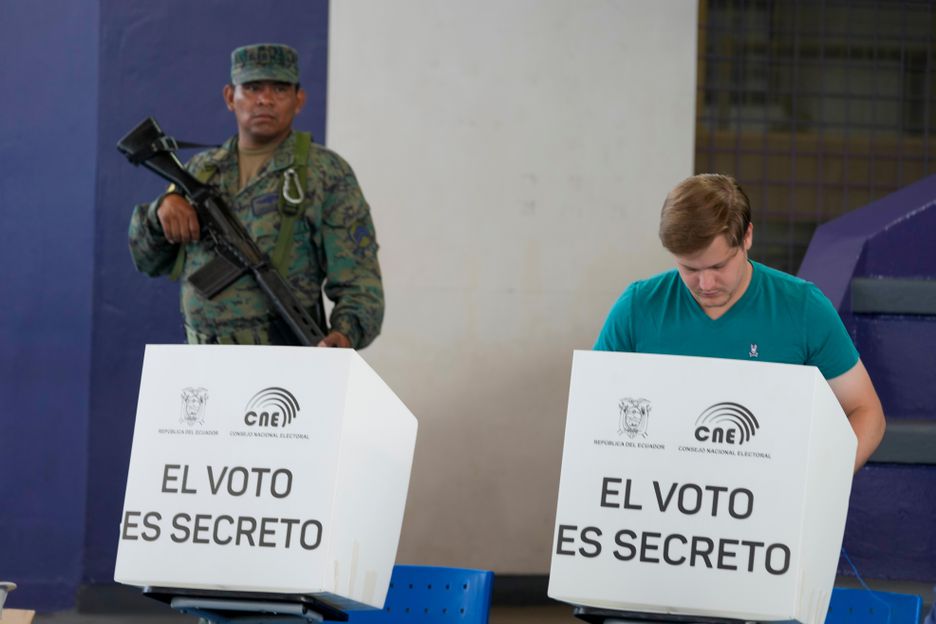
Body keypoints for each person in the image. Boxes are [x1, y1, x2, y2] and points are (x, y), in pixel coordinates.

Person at [594, 173, 885, 471]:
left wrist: (821, 482)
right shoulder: (637, 307)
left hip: (766, 501)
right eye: (689, 268)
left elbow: (866, 412)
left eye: (719, 265)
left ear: (747, 236)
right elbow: (593, 413)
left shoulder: (802, 308)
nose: (705, 283)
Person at [129, 43, 383, 348]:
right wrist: (161, 212)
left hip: (284, 357)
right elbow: (148, 262)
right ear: (229, 98)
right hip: (202, 361)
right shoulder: (201, 170)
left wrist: (345, 333)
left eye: (279, 89)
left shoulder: (326, 172)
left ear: (298, 100)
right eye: (251, 88)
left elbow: (359, 279)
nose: (264, 99)